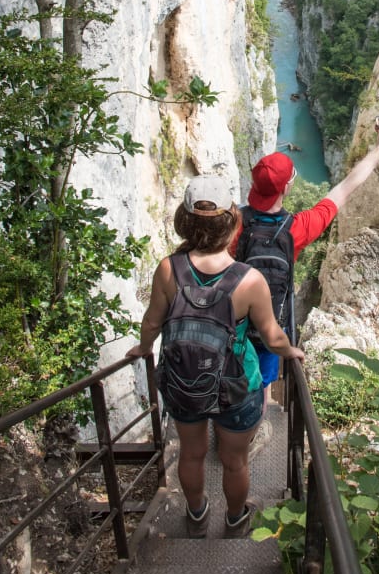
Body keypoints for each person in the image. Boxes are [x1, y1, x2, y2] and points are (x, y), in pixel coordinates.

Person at [127, 176, 304, 539]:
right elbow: (271, 337)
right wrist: (291, 351)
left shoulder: (167, 269)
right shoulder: (249, 280)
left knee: (191, 455)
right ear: (234, 221)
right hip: (236, 386)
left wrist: (144, 348)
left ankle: (196, 516)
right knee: (234, 461)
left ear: (186, 221)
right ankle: (236, 520)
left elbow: (152, 322)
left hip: (182, 383)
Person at [233, 116, 379, 455]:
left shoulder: (233, 223)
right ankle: (251, 434)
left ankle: (228, 423)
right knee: (262, 383)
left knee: (232, 369)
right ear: (287, 188)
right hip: (271, 326)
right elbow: (345, 188)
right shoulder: (296, 229)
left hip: (232, 322)